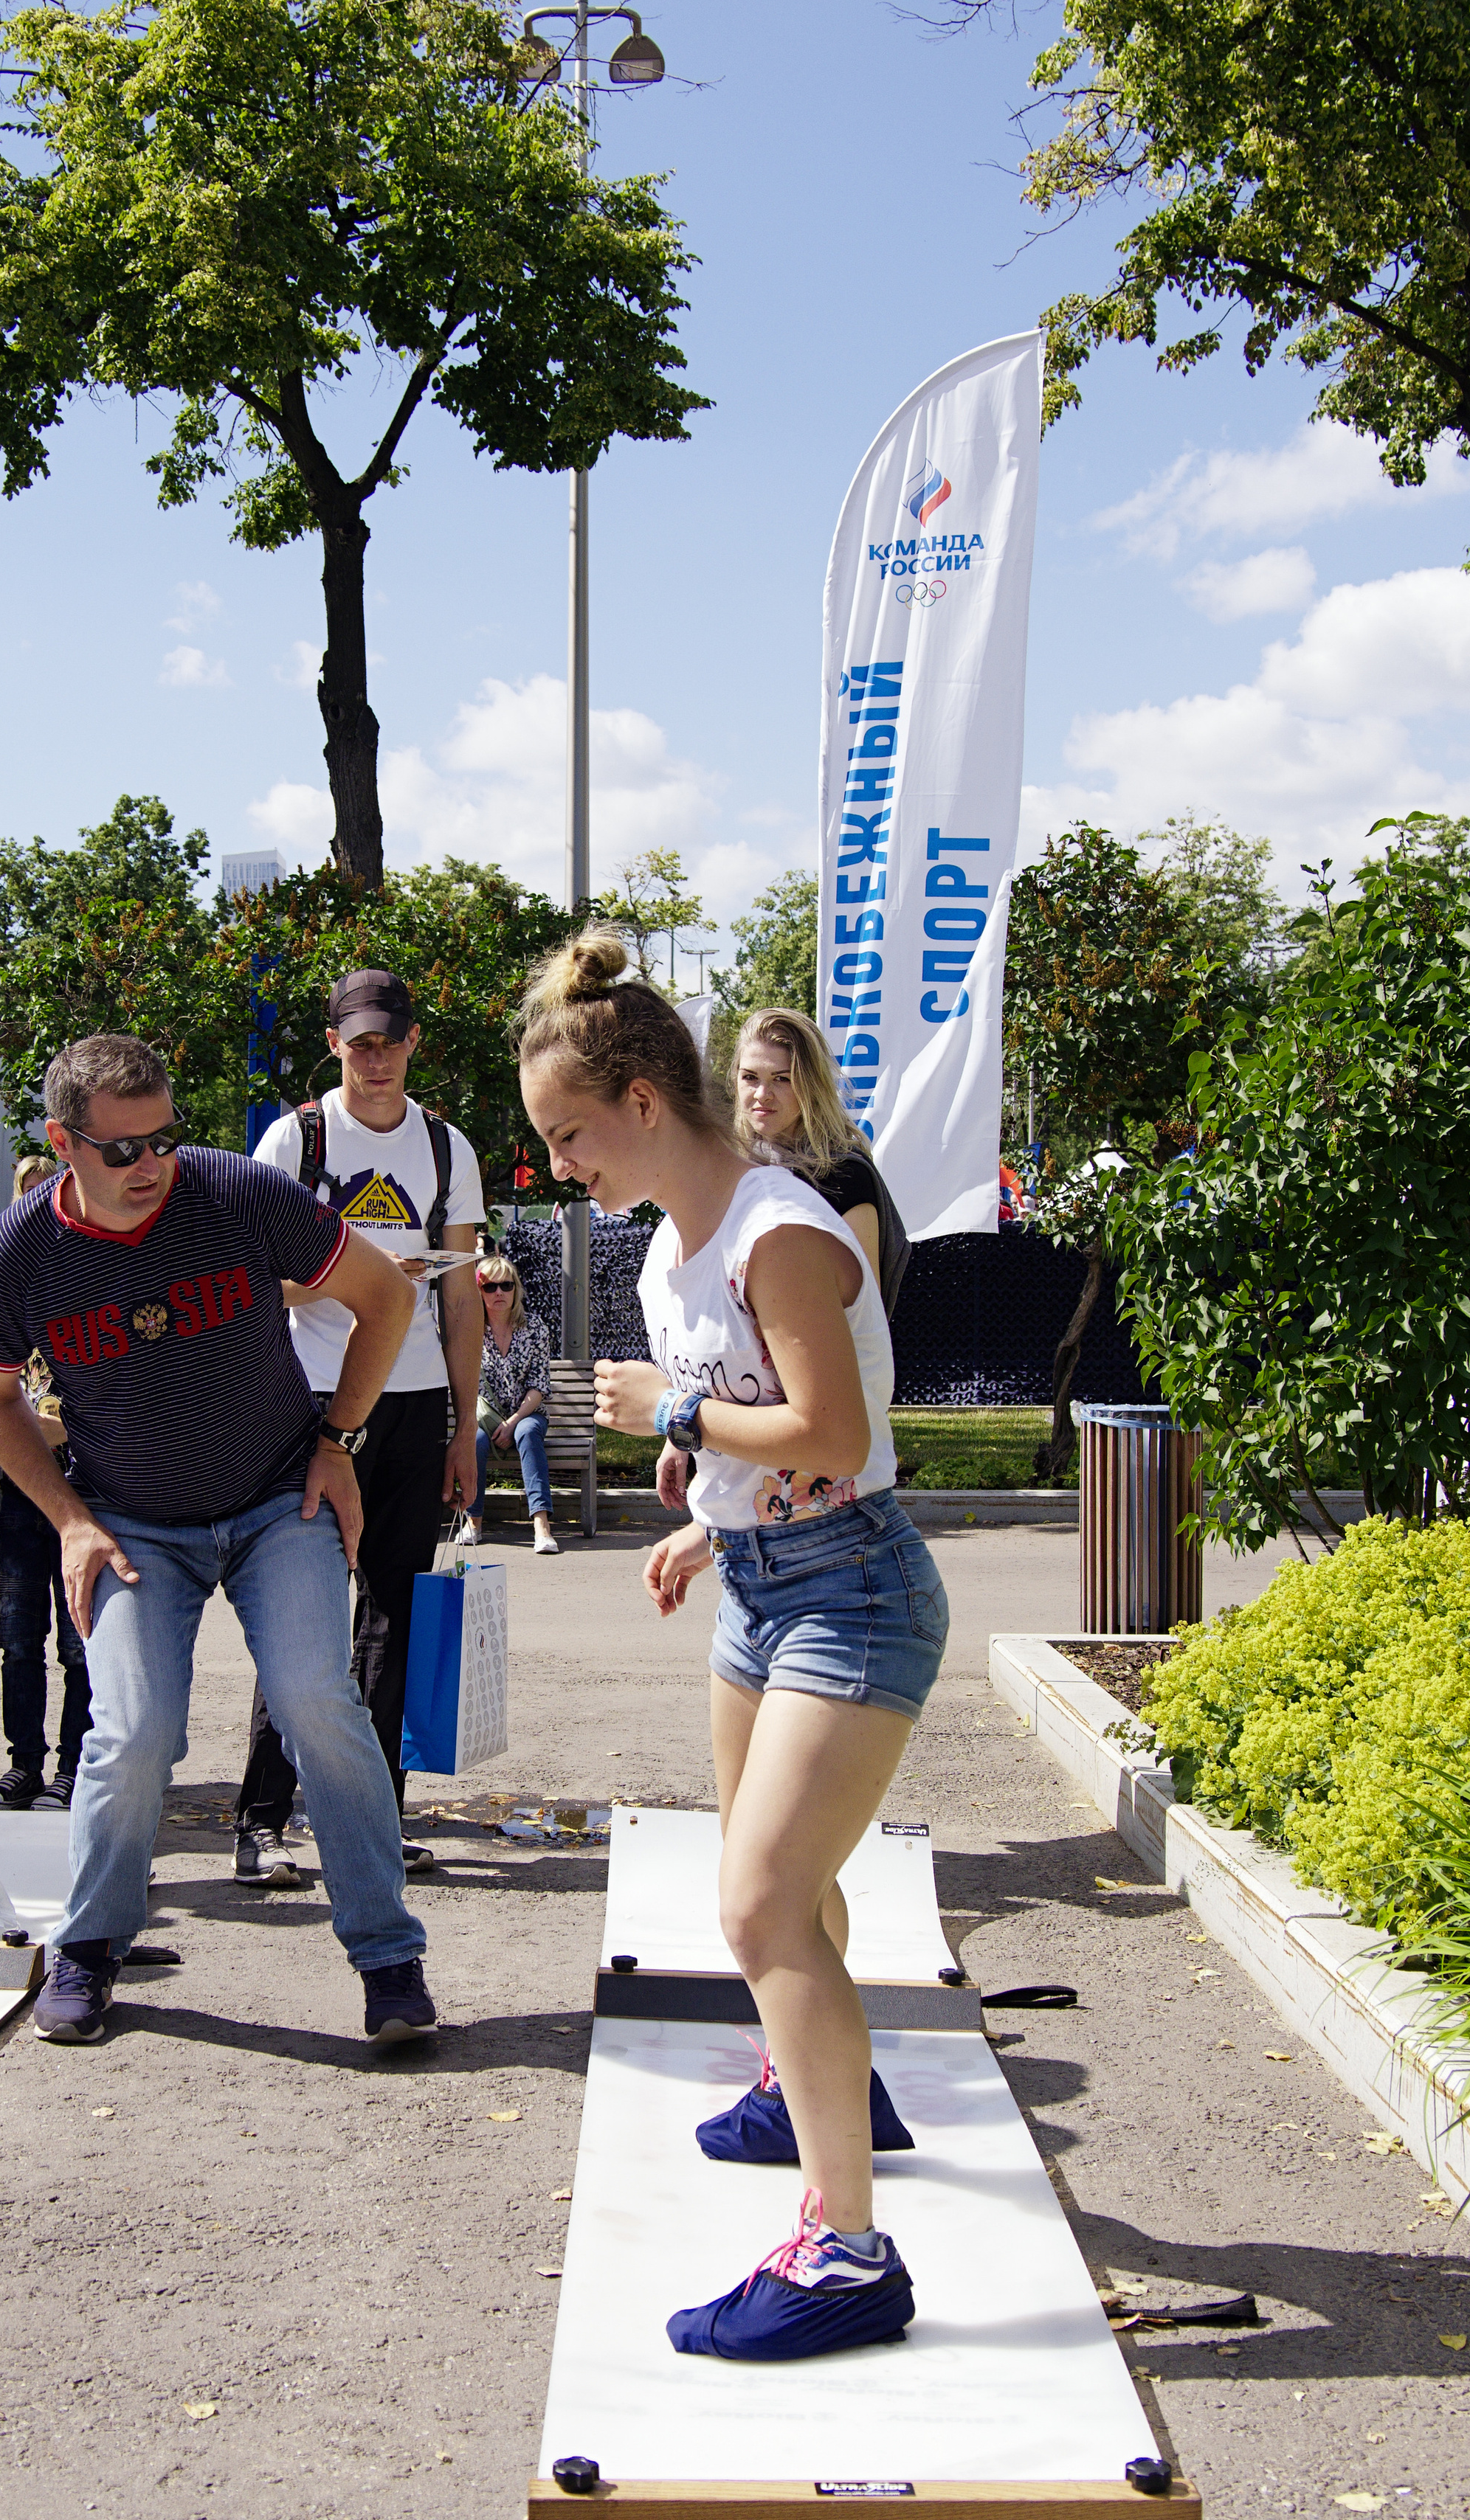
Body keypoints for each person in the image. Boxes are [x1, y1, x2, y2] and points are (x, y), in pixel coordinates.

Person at [518, 934, 949, 2364]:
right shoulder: (669, 1251)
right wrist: (705, 1513)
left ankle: (846, 2252)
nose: (559, 1167)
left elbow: (833, 1431)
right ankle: (813, 2086)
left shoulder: (776, 1232)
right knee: (780, 1888)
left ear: (642, 1100)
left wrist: (678, 1416)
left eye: (569, 1136)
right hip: (761, 1585)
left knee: (759, 1907)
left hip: (854, 1593)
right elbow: (756, 1434)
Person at [0, 1033, 438, 2048]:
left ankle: (389, 1958)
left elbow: (388, 1296)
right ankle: (90, 1949)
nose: (149, 1166)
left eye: (163, 1139)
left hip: (277, 1501)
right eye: (121, 1150)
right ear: (63, 1143)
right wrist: (70, 1521)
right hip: (130, 1522)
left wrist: (340, 1442)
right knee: (131, 1733)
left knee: (316, 1701)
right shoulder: (18, 1254)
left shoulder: (237, 1192)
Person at [235, 968, 484, 1889]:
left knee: (394, 1617)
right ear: (335, 1044)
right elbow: (251, 1284)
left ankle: (370, 1817)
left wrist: (464, 1425)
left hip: (414, 1402)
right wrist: (363, 1274)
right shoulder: (294, 1140)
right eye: (360, 1044)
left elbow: (463, 1299)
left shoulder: (447, 1147)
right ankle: (261, 1823)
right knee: (298, 1619)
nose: (376, 1061)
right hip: (306, 1401)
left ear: (413, 1043)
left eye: (391, 1043)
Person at [0, 1154, 92, 1813]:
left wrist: (50, 1427)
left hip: (85, 1488)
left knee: (80, 1643)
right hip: (22, 1492)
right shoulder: (8, 1296)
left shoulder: (96, 1292)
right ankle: (24, 1763)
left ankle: (75, 1766)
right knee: (19, 1638)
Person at [730, 1008, 911, 1317]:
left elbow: (863, 1313)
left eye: (781, 1079)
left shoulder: (843, 1176)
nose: (762, 1094)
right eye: (750, 1077)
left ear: (810, 1085)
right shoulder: (729, 1169)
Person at [468, 1255, 557, 1554]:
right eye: (490, 1287)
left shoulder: (535, 1328)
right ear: (479, 1291)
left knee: (527, 1432)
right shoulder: (470, 1330)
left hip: (528, 1414)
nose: (499, 1293)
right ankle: (473, 1521)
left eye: (506, 1286)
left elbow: (539, 1385)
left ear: (516, 1289)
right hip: (485, 1418)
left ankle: (542, 1526)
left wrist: (513, 1421)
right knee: (475, 1440)